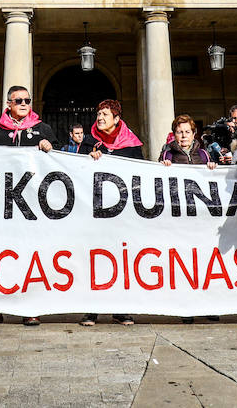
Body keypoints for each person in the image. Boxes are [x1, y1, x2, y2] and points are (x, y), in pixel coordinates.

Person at [0, 85, 55, 327]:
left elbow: (59, 165)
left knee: (30, 255)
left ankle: (30, 308)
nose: (23, 104)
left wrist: (50, 149)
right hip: (1, 204)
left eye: (27, 100)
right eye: (18, 100)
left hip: (32, 205)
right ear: (8, 104)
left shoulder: (43, 129)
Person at [82, 99, 143, 326]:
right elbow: (77, 171)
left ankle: (121, 310)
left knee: (121, 259)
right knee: (95, 259)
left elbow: (141, 174)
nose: (100, 118)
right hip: (95, 212)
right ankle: (92, 310)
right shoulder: (89, 142)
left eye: (105, 114)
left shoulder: (131, 144)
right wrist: (88, 160)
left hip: (122, 213)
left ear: (117, 119)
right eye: (98, 114)